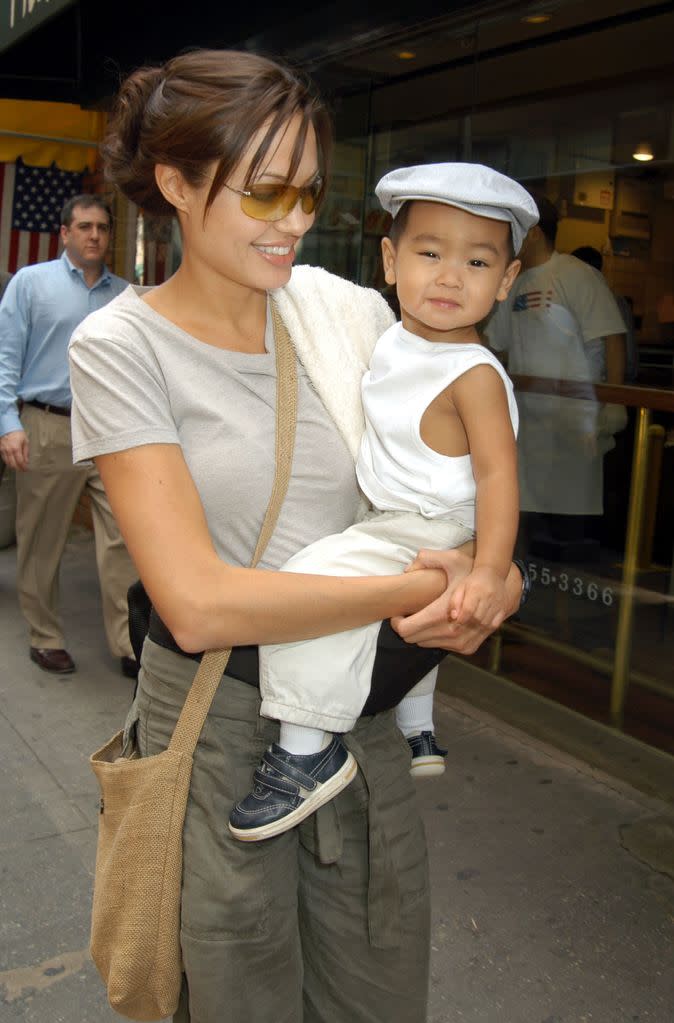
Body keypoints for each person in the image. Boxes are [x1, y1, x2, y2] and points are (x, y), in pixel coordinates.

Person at [68, 50, 526, 1022]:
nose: (296, 223)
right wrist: (417, 590)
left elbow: (444, 487)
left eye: (310, 193)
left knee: (377, 993)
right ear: (177, 184)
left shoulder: (350, 317)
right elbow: (196, 604)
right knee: (239, 997)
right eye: (267, 192)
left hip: (360, 720)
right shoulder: (121, 346)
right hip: (219, 735)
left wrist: (492, 577)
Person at [230, 162, 536, 842]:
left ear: (507, 281)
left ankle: (306, 750)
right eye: (430, 253)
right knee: (380, 603)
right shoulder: (393, 338)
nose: (451, 276)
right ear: (391, 261)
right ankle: (417, 722)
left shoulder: (474, 373)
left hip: (427, 523)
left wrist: (490, 570)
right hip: (391, 515)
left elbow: (498, 478)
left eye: (478, 260)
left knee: (311, 583)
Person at [0, 194, 137, 676]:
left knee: (125, 536)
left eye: (102, 226)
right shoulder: (31, 284)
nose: (94, 235)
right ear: (64, 233)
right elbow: (5, 356)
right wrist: (8, 423)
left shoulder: (127, 295)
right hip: (48, 426)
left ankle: (127, 644)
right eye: (84, 227)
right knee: (41, 538)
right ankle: (45, 635)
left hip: (108, 430)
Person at [484, 195, 627, 558]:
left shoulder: (576, 275)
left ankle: (564, 607)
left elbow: (611, 338)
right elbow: (496, 343)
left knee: (569, 525)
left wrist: (612, 401)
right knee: (521, 518)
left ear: (532, 232)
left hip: (574, 423)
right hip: (527, 423)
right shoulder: (513, 281)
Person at [571, 245, 639, 383]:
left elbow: (626, 357)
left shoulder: (607, 300)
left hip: (608, 386)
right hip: (608, 385)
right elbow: (630, 357)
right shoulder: (614, 299)